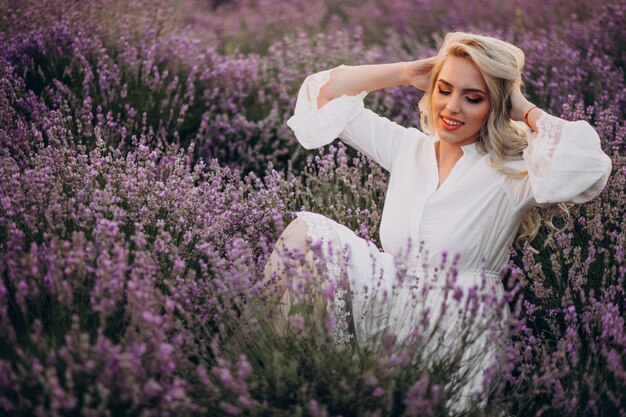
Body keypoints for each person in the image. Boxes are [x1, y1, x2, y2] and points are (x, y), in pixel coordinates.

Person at [262, 31, 613, 406]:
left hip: (458, 322)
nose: (452, 107)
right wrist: (404, 72)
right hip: (387, 299)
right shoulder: (408, 147)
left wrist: (522, 107)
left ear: (495, 105)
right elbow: (321, 95)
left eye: (473, 97)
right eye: (444, 90)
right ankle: (264, 378)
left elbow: (588, 167)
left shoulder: (513, 171)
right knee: (305, 232)